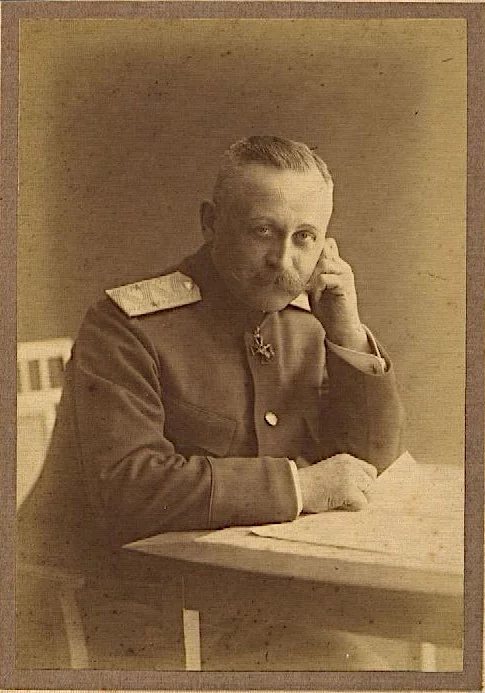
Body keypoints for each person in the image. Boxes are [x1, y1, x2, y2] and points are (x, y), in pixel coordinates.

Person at [17, 135, 405, 669]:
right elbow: (130, 487)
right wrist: (303, 486)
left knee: (369, 670)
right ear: (211, 223)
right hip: (108, 617)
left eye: (304, 237)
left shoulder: (309, 325)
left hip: (247, 609)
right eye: (262, 231)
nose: (283, 260)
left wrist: (348, 333)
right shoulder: (127, 327)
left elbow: (366, 463)